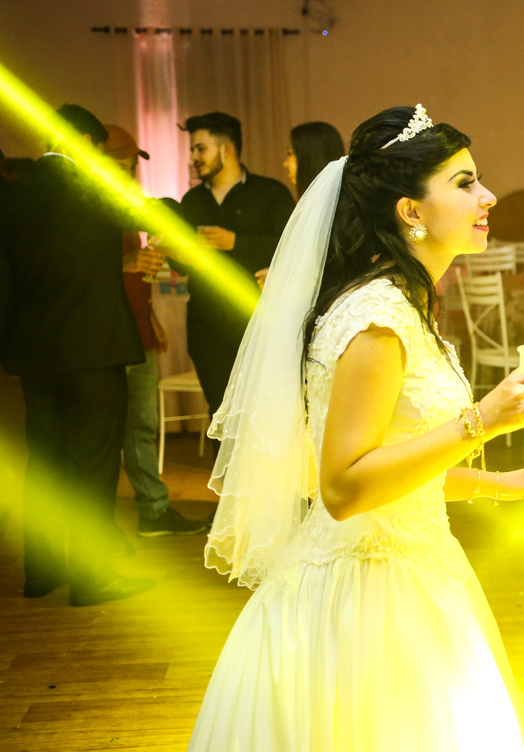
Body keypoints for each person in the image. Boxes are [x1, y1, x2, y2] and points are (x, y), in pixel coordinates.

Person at [186, 105, 524, 752]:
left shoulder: (401, 303)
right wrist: (483, 419)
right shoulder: (377, 320)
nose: (488, 196)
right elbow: (341, 488)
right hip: (363, 599)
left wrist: (495, 483)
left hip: (413, 567)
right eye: (465, 183)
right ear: (411, 211)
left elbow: (388, 467)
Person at [0, 104, 154, 606]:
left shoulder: (8, 199)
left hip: (35, 353)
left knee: (45, 461)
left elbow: (0, 287)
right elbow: (154, 213)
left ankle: (41, 571)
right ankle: (90, 578)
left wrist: (13, 352)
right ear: (85, 141)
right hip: (95, 350)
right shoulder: (95, 189)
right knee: (94, 463)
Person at [104, 125, 212, 539]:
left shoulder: (125, 207)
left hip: (137, 329)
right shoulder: (92, 208)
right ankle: (112, 519)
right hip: (109, 335)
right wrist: (126, 265)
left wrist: (149, 317)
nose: (130, 173)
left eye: (132, 166)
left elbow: (135, 271)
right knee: (113, 430)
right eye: (122, 165)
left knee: (142, 426)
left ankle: (152, 509)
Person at [175, 112, 295, 433]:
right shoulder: (192, 200)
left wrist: (236, 242)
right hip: (205, 323)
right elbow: (180, 264)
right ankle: (225, 467)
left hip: (259, 319)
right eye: (192, 150)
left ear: (226, 150)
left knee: (264, 408)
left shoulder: (270, 193)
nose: (193, 157)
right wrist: (177, 253)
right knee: (220, 411)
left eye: (201, 149)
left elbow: (293, 249)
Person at [256, 121, 347, 291]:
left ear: (309, 157)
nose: (285, 163)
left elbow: (330, 271)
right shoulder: (316, 205)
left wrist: (283, 280)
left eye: (290, 154)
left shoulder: (333, 209)